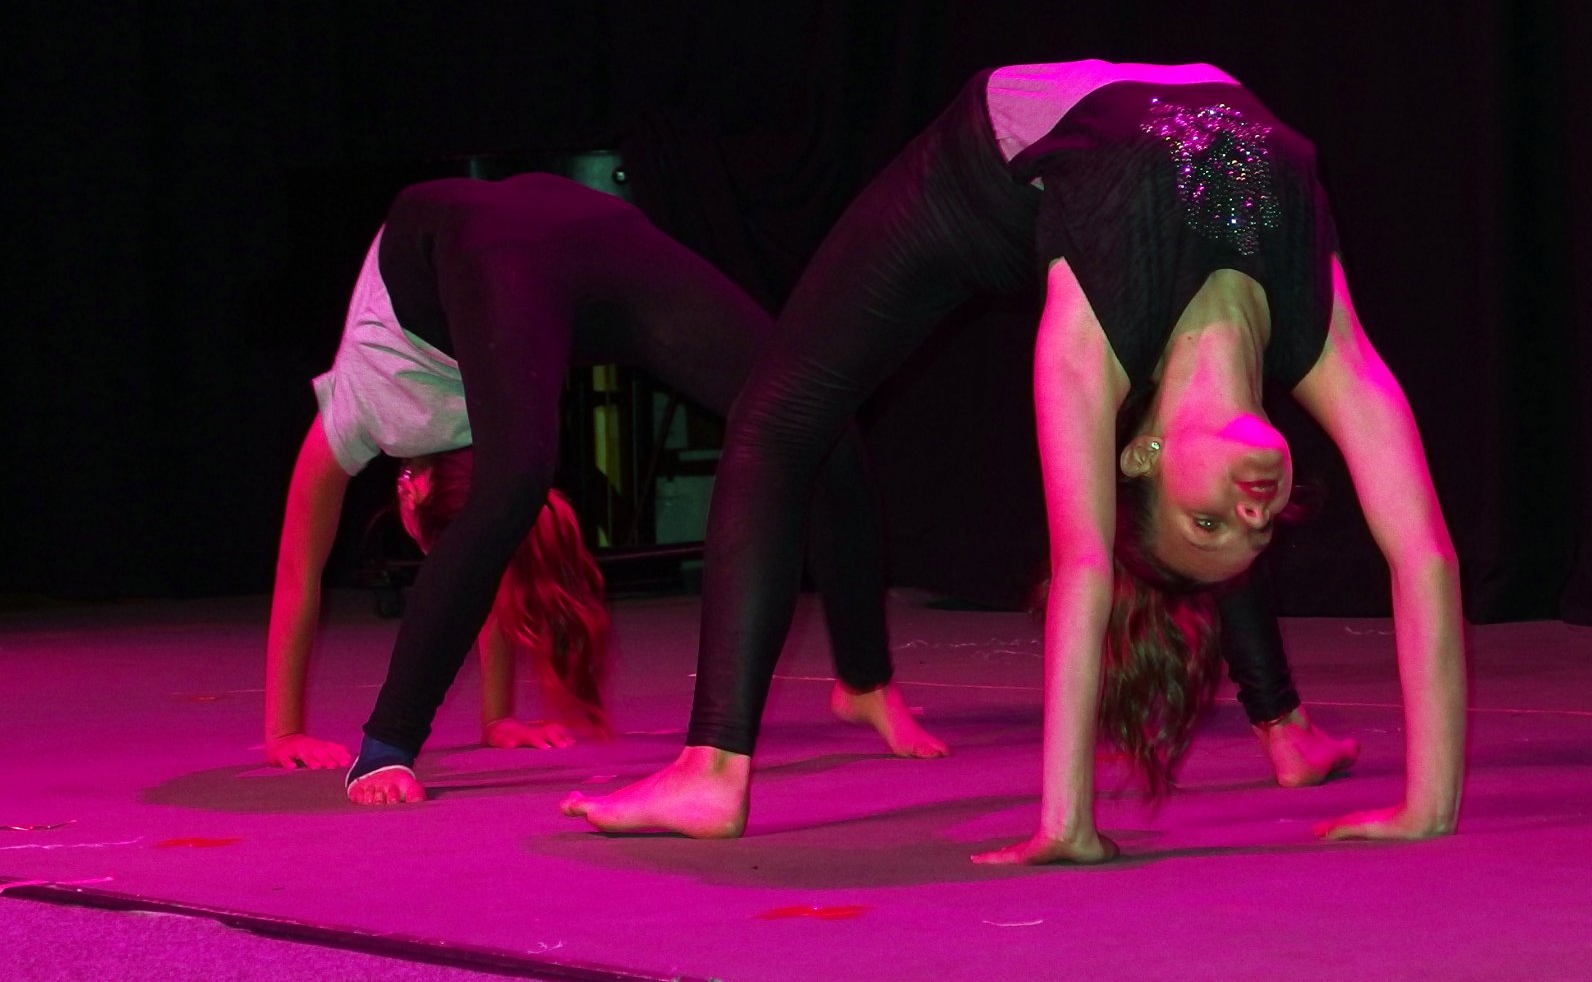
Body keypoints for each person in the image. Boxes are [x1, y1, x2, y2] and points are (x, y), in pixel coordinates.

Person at [562, 62, 1406, 843]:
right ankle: (1283, 724)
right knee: (1203, 464)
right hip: (1048, 196)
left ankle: (713, 767)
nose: (1258, 509)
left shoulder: (1243, 251)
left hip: (1011, 188)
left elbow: (1111, 547)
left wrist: (1065, 826)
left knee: (777, 419)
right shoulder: (1274, 260)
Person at [266, 172, 945, 806]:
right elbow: (485, 557)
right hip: (577, 226)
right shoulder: (486, 411)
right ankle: (864, 680)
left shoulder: (359, 412)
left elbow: (303, 570)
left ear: (411, 491)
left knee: (516, 487)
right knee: (812, 415)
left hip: (480, 243)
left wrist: (286, 731)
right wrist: (497, 719)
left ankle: (387, 744)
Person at [266, 450, 609, 773]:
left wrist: (498, 718)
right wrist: (285, 734)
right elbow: (297, 569)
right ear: (409, 494)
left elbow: (488, 568)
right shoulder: (349, 422)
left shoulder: (506, 445)